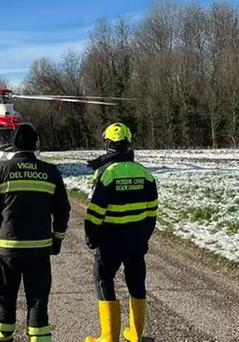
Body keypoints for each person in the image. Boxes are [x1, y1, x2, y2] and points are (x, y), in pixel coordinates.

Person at [0, 123, 71, 342]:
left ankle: (2, 337)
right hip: (39, 250)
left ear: (13, 144)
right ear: (36, 143)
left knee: (4, 297)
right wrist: (57, 239)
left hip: (7, 249)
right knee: (38, 299)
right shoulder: (50, 171)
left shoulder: (0, 169)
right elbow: (62, 210)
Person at [84, 123, 158, 342]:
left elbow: (95, 212)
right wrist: (143, 238)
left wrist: (91, 237)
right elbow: (151, 212)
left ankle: (108, 338)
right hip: (136, 242)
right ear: (128, 143)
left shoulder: (107, 174)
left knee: (103, 280)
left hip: (109, 243)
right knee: (136, 283)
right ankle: (135, 335)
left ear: (108, 144)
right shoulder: (146, 174)